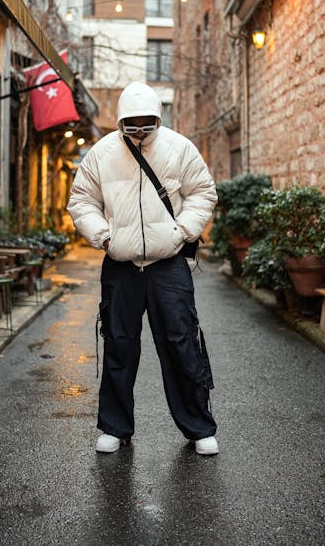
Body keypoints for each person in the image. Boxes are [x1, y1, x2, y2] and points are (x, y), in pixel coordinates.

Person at [67, 82, 218, 455]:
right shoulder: (102, 153)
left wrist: (182, 231)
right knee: (119, 344)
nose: (137, 132)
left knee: (182, 343)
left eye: (145, 125)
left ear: (157, 119)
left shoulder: (180, 148)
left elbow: (203, 192)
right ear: (120, 120)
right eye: (130, 125)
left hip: (168, 265)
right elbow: (81, 200)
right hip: (121, 265)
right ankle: (115, 428)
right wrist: (104, 238)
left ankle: (199, 428)